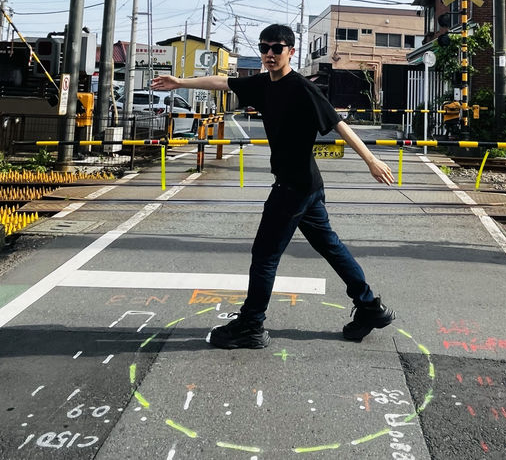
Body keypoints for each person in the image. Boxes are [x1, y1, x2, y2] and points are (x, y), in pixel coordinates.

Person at [151, 23, 396, 349]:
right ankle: (369, 307)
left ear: (290, 51)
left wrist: (371, 161)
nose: (269, 53)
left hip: (295, 187)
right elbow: (222, 81)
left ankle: (251, 325)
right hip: (306, 186)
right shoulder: (263, 84)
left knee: (265, 255)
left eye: (276, 48)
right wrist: (180, 81)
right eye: (264, 47)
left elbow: (338, 123)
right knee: (330, 246)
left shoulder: (301, 87)